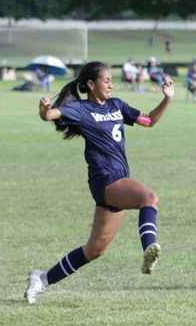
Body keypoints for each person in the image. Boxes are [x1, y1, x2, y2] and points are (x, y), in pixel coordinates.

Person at [24, 62, 173, 304]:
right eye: (106, 81)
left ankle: (41, 279)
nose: (111, 84)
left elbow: (148, 121)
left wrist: (167, 99)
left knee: (94, 250)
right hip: (106, 180)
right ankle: (150, 248)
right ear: (91, 84)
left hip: (118, 182)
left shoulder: (117, 105)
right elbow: (51, 115)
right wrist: (45, 111)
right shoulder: (81, 109)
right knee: (149, 198)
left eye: (111, 80)